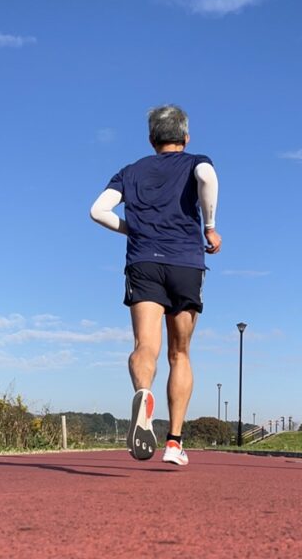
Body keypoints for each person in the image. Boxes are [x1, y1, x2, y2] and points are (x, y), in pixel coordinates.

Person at [90, 105, 221, 466]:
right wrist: (209, 225)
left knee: (144, 345)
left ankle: (143, 395)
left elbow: (98, 210)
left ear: (151, 139)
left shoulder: (129, 172)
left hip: (143, 261)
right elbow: (208, 178)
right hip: (186, 262)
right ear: (186, 136)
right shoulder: (196, 160)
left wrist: (131, 228)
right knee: (180, 353)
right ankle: (175, 443)